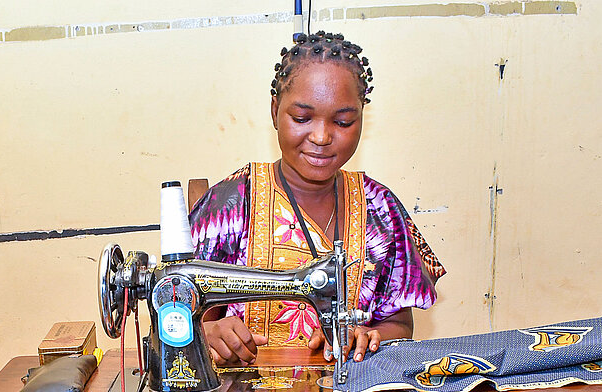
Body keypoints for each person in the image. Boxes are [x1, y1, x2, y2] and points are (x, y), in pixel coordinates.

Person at [189, 31, 445, 367]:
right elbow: (174, 317)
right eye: (301, 118)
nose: (322, 136)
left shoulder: (380, 209)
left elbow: (399, 324)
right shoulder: (230, 205)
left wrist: (368, 335)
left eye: (343, 121)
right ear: (275, 110)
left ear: (361, 120)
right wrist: (206, 332)